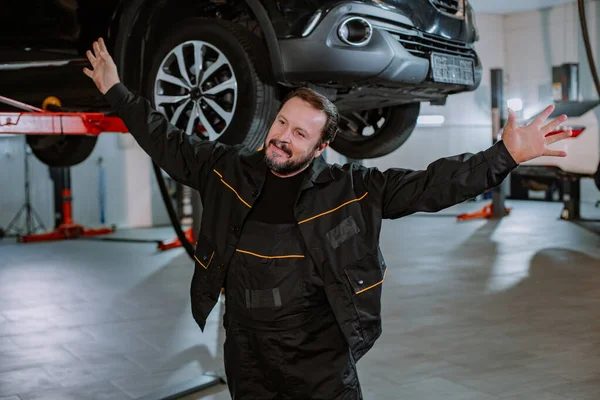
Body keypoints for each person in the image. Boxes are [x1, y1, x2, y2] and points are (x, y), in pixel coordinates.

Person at [84, 38, 572, 399]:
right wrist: (116, 90)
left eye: (298, 133)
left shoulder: (351, 190)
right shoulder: (227, 168)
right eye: (281, 123)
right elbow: (164, 138)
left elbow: (433, 186)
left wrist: (504, 153)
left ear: (321, 147)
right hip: (247, 346)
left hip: (316, 353)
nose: (282, 137)